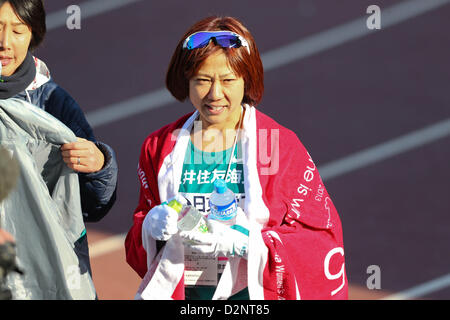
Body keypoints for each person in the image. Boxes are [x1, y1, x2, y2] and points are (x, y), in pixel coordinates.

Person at [125, 16, 347, 300]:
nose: (215, 94)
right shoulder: (159, 147)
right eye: (202, 80)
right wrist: (149, 228)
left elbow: (319, 240)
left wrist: (244, 243)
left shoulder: (277, 145)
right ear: (186, 81)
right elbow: (136, 248)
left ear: (247, 80)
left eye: (228, 80)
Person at [0, 0, 117, 299]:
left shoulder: (52, 103)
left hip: (47, 275)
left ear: (33, 36)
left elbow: (93, 205)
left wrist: (99, 164)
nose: (4, 42)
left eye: (18, 30)